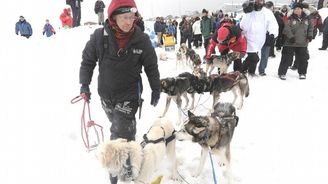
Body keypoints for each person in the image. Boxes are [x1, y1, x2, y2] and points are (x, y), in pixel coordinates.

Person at [79, 0, 160, 183]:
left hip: (129, 95)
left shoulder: (142, 39)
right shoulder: (99, 37)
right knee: (119, 128)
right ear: (113, 17)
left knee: (119, 133)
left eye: (132, 17)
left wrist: (156, 88)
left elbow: (151, 67)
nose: (128, 22)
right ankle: (131, 150)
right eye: (124, 17)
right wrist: (84, 85)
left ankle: (119, 174)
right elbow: (87, 62)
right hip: (106, 95)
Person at [240, 0, 278, 76]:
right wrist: (247, 13)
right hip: (249, 39)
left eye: (261, 1)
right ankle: (244, 70)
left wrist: (272, 34)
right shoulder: (250, 11)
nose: (259, 3)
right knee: (254, 57)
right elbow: (243, 26)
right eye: (257, 1)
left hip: (261, 39)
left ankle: (252, 71)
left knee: (256, 57)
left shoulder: (267, 12)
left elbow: (273, 24)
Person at [277, 3, 313, 80]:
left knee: (303, 59)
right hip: (290, 42)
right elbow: (286, 28)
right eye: (295, 9)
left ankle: (302, 73)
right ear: (293, 10)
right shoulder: (289, 18)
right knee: (286, 58)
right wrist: (291, 37)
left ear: (302, 9)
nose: (297, 10)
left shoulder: (307, 18)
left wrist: (310, 35)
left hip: (302, 43)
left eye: (299, 9)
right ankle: (282, 73)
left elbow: (310, 28)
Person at [258, 1, 279, 76]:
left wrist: (272, 34)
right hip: (258, 36)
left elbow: (274, 25)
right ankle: (253, 68)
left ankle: (261, 69)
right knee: (255, 55)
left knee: (264, 54)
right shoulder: (256, 11)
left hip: (267, 36)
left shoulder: (269, 13)